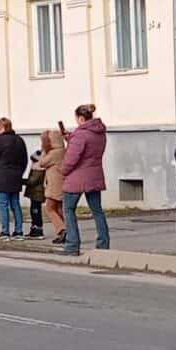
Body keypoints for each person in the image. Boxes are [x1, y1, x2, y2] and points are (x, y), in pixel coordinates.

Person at [59, 104, 109, 256]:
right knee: (97, 211)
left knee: (68, 209)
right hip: (94, 176)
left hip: (77, 178)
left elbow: (72, 158)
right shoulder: (99, 133)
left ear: (80, 118)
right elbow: (87, 147)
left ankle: (72, 245)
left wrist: (63, 171)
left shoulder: (80, 135)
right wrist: (70, 137)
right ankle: (103, 245)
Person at [37, 129, 67, 244]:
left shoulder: (53, 153)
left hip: (54, 185)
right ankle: (66, 231)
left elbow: (42, 163)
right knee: (59, 209)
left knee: (49, 208)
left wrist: (44, 151)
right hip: (62, 183)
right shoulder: (63, 151)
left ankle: (61, 229)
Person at [24, 147, 46, 238]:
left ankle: (37, 229)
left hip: (37, 193)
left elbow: (32, 181)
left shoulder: (39, 169)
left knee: (35, 211)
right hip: (36, 192)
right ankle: (34, 228)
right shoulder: (37, 168)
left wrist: (20, 181)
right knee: (34, 210)